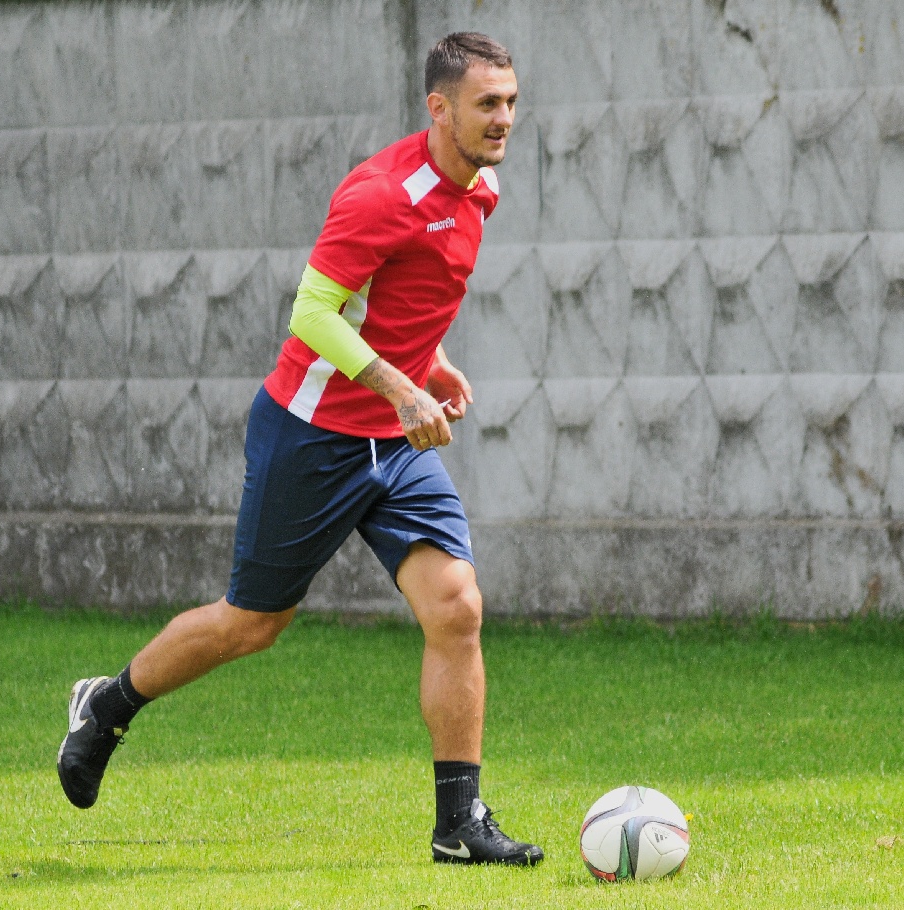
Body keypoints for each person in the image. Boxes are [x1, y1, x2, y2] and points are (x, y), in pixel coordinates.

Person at [57, 32, 543, 867]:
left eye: (510, 101)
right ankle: (107, 706)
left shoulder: (480, 188)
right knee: (252, 624)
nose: (503, 118)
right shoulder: (380, 194)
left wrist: (430, 362)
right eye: (485, 104)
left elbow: (398, 296)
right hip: (311, 434)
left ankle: (458, 825)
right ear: (438, 108)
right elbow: (313, 314)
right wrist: (403, 388)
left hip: (394, 442)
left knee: (456, 607)